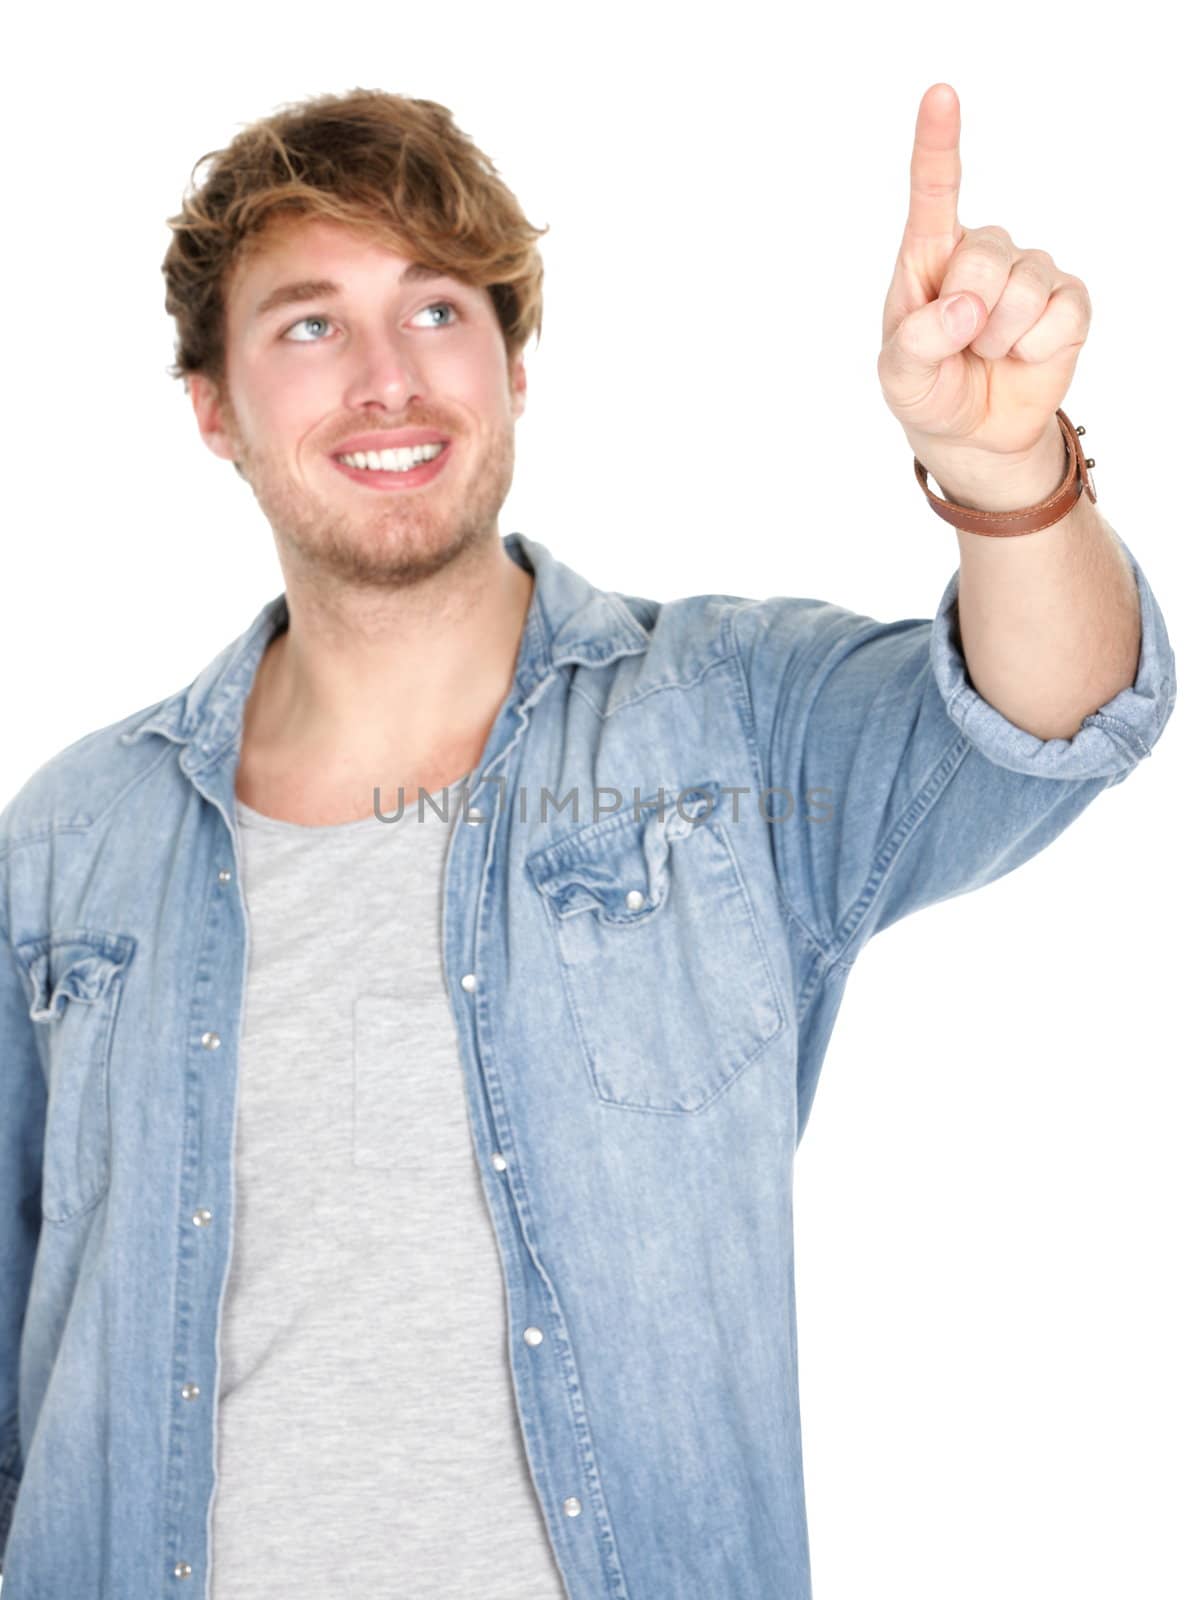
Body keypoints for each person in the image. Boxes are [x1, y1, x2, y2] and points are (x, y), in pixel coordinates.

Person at [0, 83, 1175, 1600]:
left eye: (437, 311)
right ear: (212, 405)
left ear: (514, 368)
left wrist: (1011, 478)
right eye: (307, 325)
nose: (384, 380)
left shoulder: (728, 727)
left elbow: (1053, 719)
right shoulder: (68, 844)